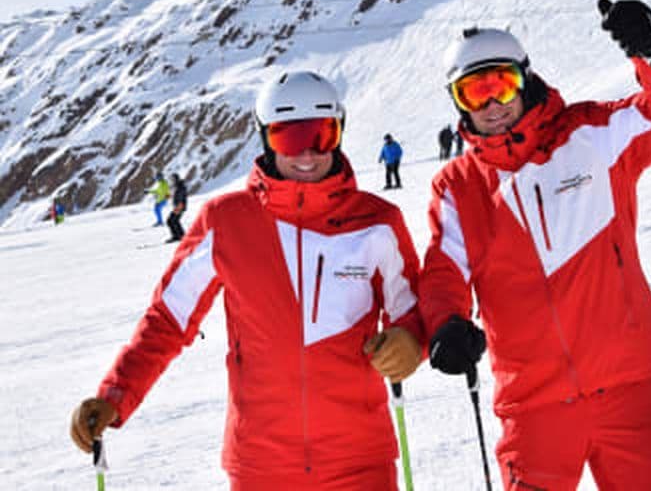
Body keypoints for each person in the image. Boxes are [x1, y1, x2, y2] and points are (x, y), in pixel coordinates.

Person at [70, 71, 425, 490]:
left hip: (359, 462)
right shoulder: (225, 221)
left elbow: (415, 311)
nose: (307, 153)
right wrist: (115, 394)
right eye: (288, 138)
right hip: (260, 465)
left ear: (339, 133)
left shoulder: (377, 222)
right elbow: (167, 320)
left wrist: (410, 340)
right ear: (265, 139)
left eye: (321, 135)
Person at [419, 0, 651, 491]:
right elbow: (445, 270)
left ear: (525, 79)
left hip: (627, 385)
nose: (492, 104)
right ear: (457, 101)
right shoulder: (459, 185)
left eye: (501, 84)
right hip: (534, 404)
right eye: (473, 92)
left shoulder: (590, 136)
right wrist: (446, 322)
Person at [166, 173, 187, 243]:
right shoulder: (178, 186)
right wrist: (170, 196)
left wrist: (179, 207)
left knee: (171, 220)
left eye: (172, 180)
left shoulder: (180, 187)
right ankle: (180, 236)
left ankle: (179, 236)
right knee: (174, 221)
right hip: (178, 206)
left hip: (179, 207)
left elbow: (180, 196)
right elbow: (176, 195)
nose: (171, 181)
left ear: (175, 179)